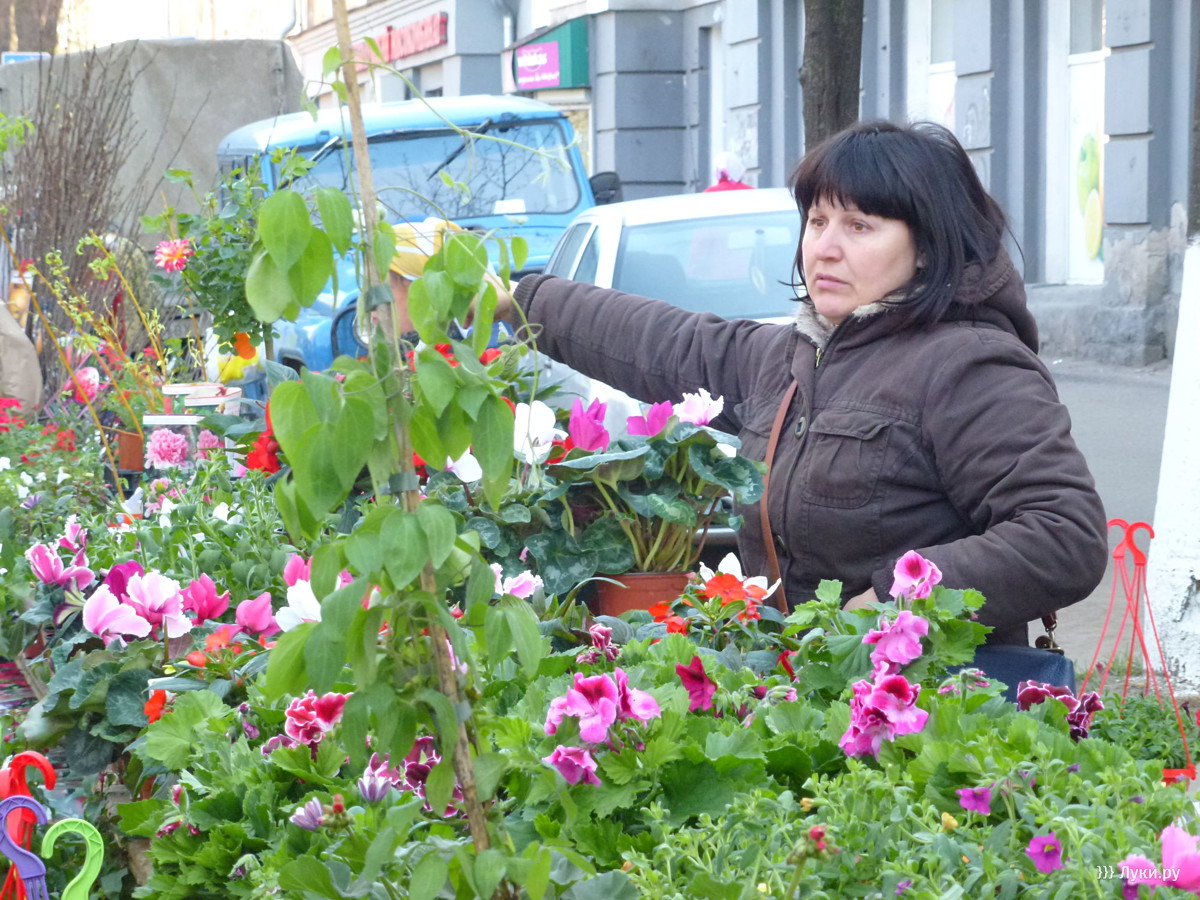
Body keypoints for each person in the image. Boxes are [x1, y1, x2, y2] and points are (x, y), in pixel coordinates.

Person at [487, 119, 1108, 649]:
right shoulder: (795, 356)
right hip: (814, 702)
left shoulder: (970, 367)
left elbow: (1064, 535)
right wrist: (514, 300)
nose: (824, 249)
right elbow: (664, 342)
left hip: (931, 708)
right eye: (817, 221)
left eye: (859, 226)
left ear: (925, 247)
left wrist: (888, 603)